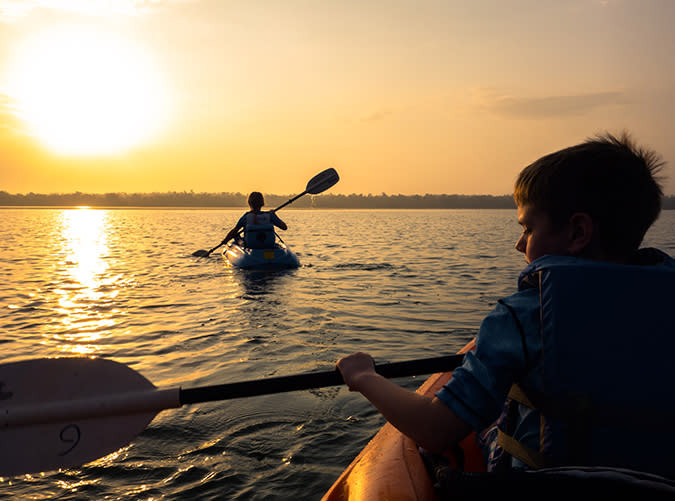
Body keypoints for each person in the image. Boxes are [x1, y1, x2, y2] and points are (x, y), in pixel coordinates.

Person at [336, 131, 674, 480]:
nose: (518, 244)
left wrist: (364, 376)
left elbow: (435, 430)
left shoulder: (525, 316)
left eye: (527, 229)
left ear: (577, 233)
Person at [221, 191, 288, 248]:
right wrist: (274, 215)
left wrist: (225, 240)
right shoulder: (270, 215)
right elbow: (284, 227)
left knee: (236, 235)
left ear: (249, 203)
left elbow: (234, 231)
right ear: (262, 203)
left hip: (251, 245)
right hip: (268, 244)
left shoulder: (246, 217)